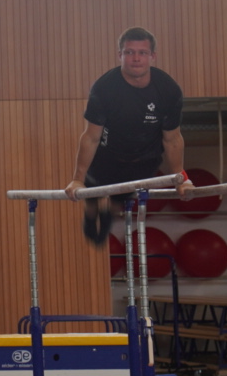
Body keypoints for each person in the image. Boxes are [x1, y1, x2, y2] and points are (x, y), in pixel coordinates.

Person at [65, 27, 191, 244]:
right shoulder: (104, 88)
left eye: (142, 53)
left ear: (152, 56)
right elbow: (91, 136)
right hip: (107, 155)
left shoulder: (168, 89)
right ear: (120, 55)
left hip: (144, 157)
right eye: (129, 52)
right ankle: (91, 212)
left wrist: (181, 179)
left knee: (119, 200)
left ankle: (108, 212)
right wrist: (77, 179)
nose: (136, 58)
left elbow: (172, 139)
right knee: (93, 194)